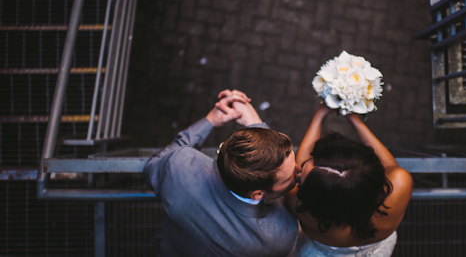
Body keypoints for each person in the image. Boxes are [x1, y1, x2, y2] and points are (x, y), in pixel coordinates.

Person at [144, 89, 300, 256]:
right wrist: (255, 123)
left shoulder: (178, 168)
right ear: (257, 194)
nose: (300, 171)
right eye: (290, 177)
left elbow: (152, 165)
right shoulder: (279, 235)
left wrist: (210, 120)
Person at [285, 105, 413, 257]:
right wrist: (354, 119)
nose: (297, 173)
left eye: (301, 182)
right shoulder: (400, 184)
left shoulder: (303, 209)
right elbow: (389, 166)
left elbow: (300, 164)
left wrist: (320, 114)